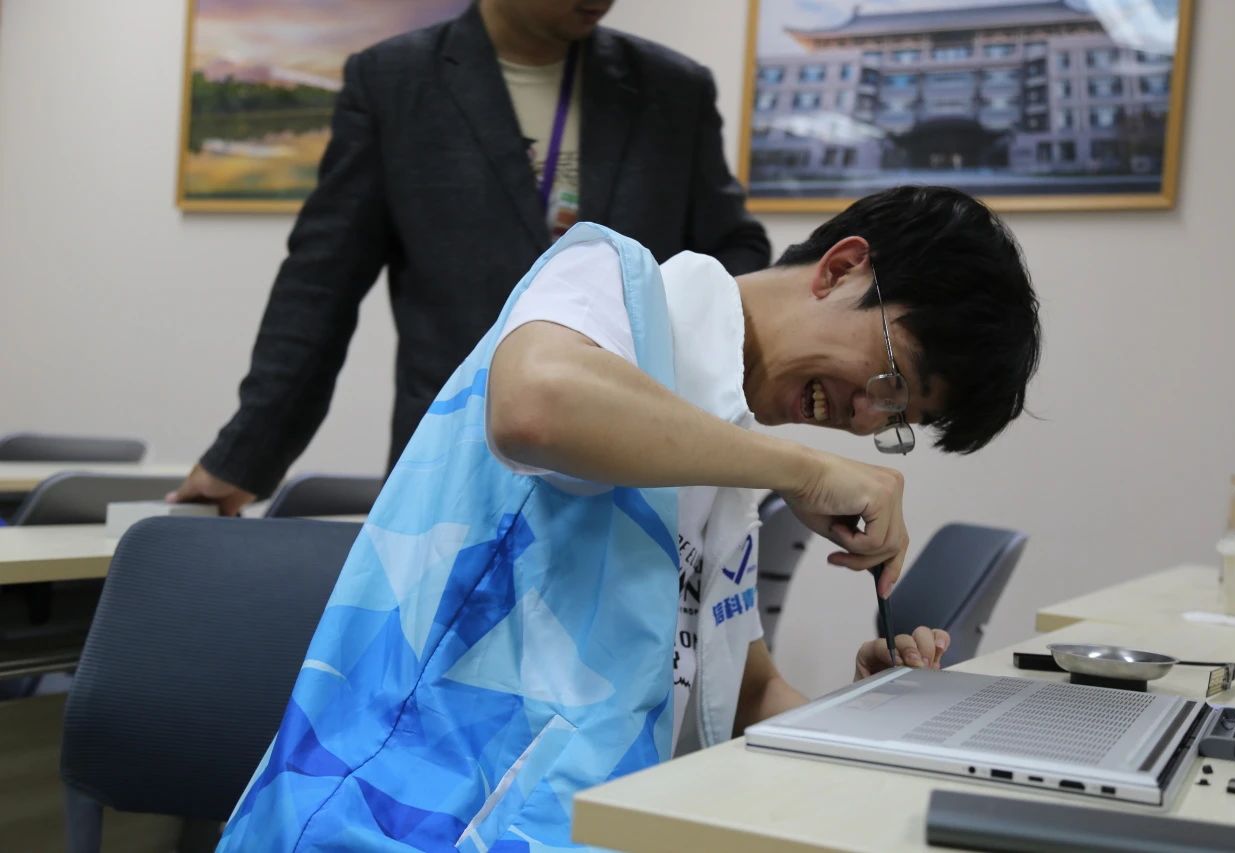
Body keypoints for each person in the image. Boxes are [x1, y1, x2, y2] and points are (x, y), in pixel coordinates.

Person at [216, 186, 1041, 852]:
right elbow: (535, 407)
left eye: (895, 418)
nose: (864, 417)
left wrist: (862, 713)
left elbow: (742, 688)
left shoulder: (728, 448)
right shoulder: (609, 278)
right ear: (843, 267)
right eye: (892, 378)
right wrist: (801, 469)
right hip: (400, 819)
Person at [170, 0, 770, 515]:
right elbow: (320, 286)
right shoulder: (394, 82)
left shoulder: (672, 89)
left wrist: (659, 328)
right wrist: (243, 458)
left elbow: (736, 250)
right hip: (450, 473)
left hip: (636, 467)